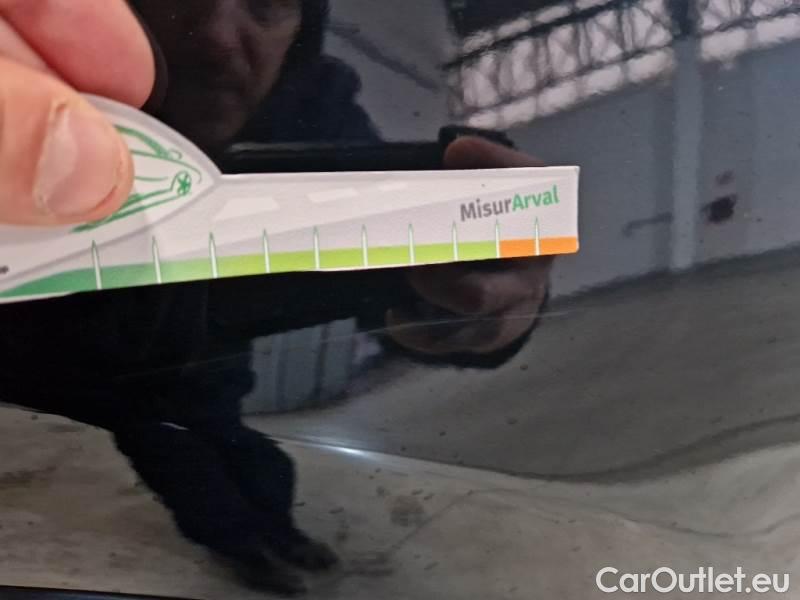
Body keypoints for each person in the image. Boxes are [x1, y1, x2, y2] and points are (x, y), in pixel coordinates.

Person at [0, 0, 551, 593]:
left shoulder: (313, 114)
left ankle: (280, 538)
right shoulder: (29, 97)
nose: (216, 38)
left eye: (266, 3)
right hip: (61, 390)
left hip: (202, 380)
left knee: (257, 467)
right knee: (193, 480)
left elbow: (390, 277)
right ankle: (248, 552)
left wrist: (478, 308)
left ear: (302, 29)